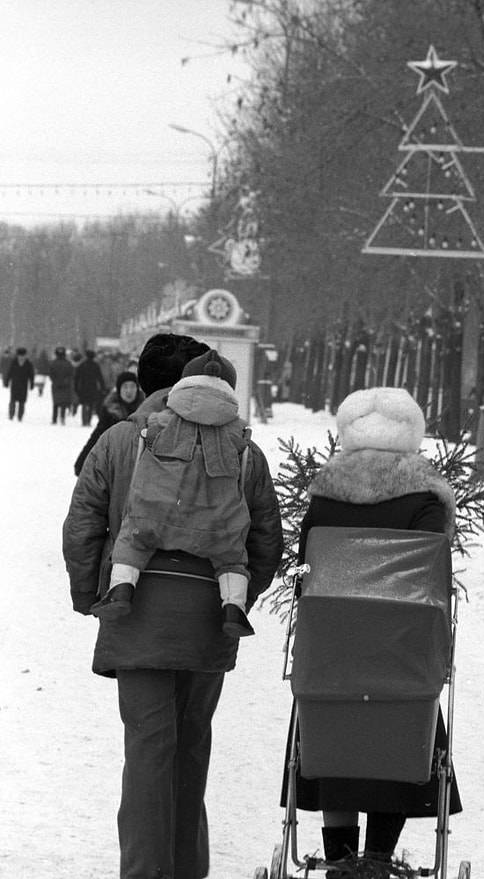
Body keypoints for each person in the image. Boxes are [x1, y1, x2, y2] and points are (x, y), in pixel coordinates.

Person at [62, 332, 284, 879]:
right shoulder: (243, 449)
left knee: (147, 748)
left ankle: (144, 870)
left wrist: (89, 595)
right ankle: (188, 868)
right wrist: (236, 600)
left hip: (134, 611)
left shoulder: (118, 440)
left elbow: (82, 525)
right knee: (191, 746)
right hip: (210, 614)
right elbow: (265, 540)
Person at [289, 387, 462, 873]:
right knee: (399, 740)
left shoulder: (325, 496)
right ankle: (380, 858)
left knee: (330, 749)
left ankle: (341, 859)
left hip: (331, 648)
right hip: (399, 649)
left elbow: (306, 568)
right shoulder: (426, 497)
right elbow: (429, 571)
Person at [93, 349, 254, 639]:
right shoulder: (236, 431)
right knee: (232, 558)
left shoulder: (162, 420)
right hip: (216, 524)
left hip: (157, 513)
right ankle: (233, 606)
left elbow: (149, 433)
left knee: (133, 539)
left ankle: (121, 589)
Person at [74, 371, 145, 476]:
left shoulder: (145, 411)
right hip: (116, 467)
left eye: (132, 386)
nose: (129, 391)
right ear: (119, 390)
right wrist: (82, 461)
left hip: (139, 467)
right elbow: (98, 435)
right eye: (125, 387)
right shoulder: (110, 412)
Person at [74, 350, 106, 426]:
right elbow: (100, 377)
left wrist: (76, 388)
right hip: (93, 388)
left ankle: (84, 420)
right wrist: (102, 387)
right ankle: (88, 420)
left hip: (83, 387)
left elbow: (77, 377)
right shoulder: (95, 365)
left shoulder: (82, 365)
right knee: (91, 405)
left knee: (84, 404)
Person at [3, 347, 34, 421]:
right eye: (20, 355)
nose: (21, 357)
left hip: (23, 384)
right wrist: (6, 381)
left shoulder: (28, 363)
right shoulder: (14, 362)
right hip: (15, 384)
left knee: (22, 402)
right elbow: (9, 372)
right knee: (13, 400)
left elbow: (31, 375)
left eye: (22, 355)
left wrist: (32, 384)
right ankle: (11, 415)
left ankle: (20, 416)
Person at [49, 346, 74, 424]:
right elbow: (71, 374)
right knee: (63, 402)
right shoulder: (68, 363)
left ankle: (54, 418)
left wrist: (56, 381)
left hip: (56, 385)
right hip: (65, 386)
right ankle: (62, 417)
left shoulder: (53, 363)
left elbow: (51, 374)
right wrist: (65, 381)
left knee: (56, 402)